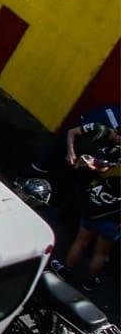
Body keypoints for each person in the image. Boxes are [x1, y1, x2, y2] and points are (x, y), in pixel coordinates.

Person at [57, 120, 119, 286]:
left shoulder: (114, 171)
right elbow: (105, 167)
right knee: (100, 254)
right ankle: (90, 281)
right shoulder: (106, 138)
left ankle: (66, 269)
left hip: (95, 209)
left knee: (80, 242)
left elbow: (104, 169)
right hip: (113, 220)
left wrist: (91, 165)